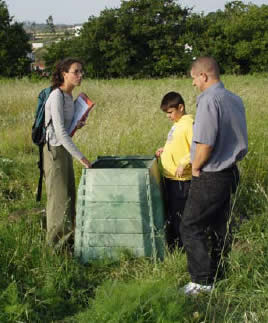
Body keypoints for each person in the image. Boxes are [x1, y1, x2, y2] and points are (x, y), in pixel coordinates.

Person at [180, 57, 248, 295]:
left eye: (194, 78)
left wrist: (196, 167)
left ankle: (200, 282)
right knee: (221, 226)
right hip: (231, 172)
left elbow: (206, 144)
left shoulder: (209, 100)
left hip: (211, 174)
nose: (193, 84)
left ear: (204, 76)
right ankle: (219, 273)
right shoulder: (234, 99)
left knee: (190, 226)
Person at [43, 57, 92, 246]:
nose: (80, 75)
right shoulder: (56, 96)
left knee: (69, 196)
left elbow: (66, 128)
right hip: (54, 151)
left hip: (63, 150)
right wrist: (82, 158)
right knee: (58, 200)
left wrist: (77, 125)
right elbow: (60, 133)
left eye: (81, 72)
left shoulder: (68, 97)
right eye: (76, 72)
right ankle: (55, 248)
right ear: (64, 74)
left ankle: (68, 242)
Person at [155, 92, 193, 251]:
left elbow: (198, 149)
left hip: (182, 180)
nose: (168, 116)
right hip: (170, 177)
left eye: (170, 112)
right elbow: (177, 145)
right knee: (173, 211)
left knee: (180, 215)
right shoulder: (177, 124)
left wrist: (184, 162)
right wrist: (165, 150)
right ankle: (175, 243)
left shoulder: (189, 124)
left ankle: (182, 247)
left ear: (181, 107)